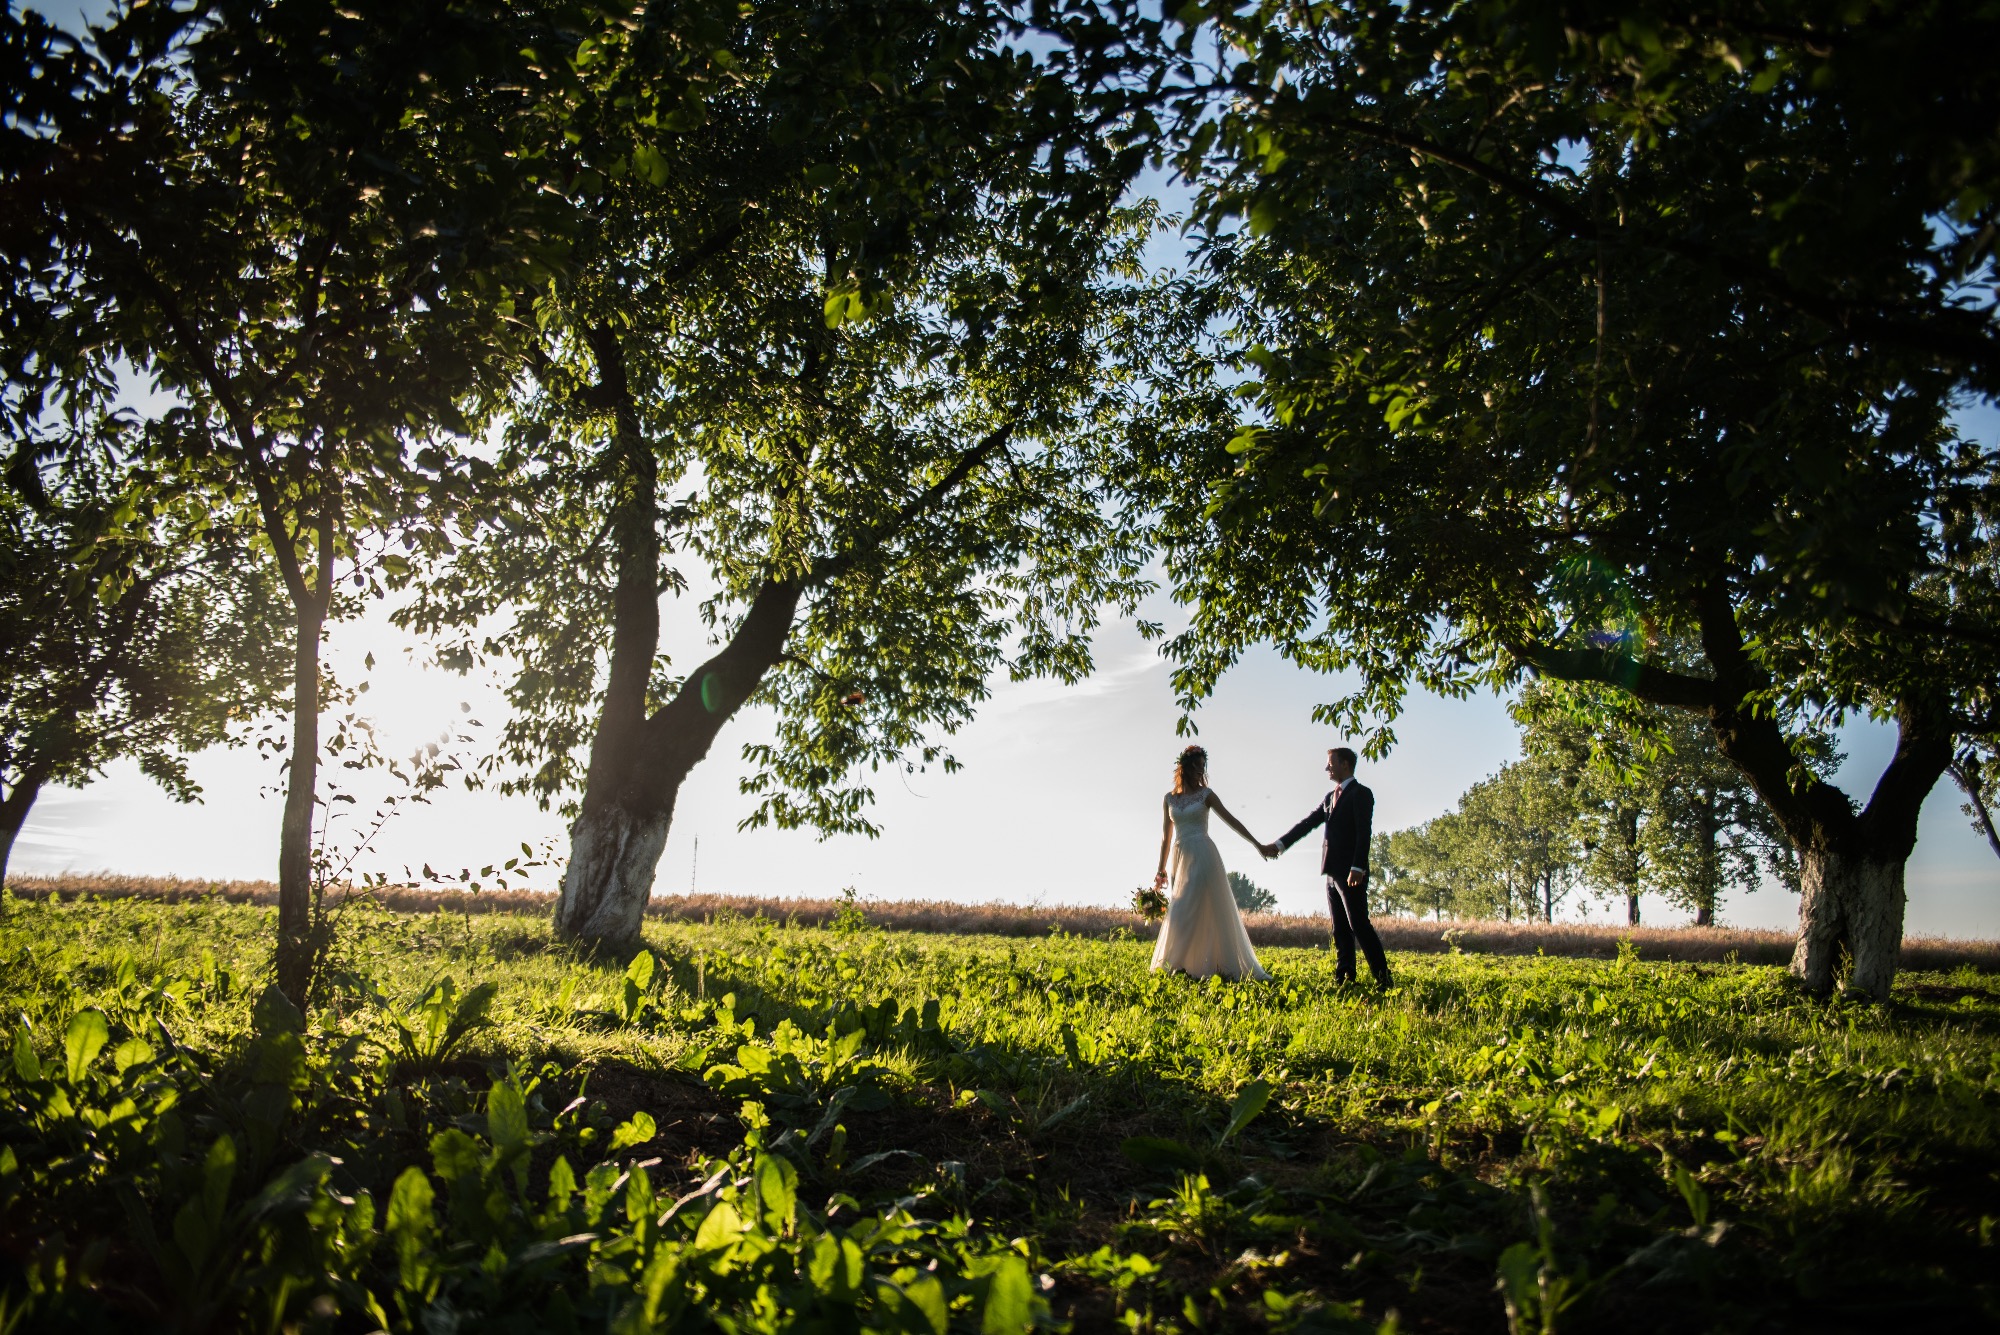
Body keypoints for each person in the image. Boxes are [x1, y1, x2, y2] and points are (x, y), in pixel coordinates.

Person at [1264, 747, 1392, 987]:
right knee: (1340, 928)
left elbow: (1365, 833)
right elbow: (1307, 824)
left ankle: (1383, 978)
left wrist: (1358, 866)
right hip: (1331, 873)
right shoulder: (1328, 798)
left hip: (1351, 872)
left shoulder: (1361, 794)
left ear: (1345, 764)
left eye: (1330, 763)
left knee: (1359, 925)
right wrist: (1279, 845)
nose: (1326, 768)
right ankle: (1345, 977)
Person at [1150, 745, 1272, 981]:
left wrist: (1257, 844)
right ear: (1184, 768)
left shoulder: (1206, 795)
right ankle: (1185, 966)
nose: (1200, 772)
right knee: (1184, 909)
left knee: (1187, 906)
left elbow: (1232, 821)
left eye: (1202, 768)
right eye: (1196, 767)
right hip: (1179, 855)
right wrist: (1160, 869)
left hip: (1203, 854)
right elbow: (1166, 836)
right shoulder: (1169, 799)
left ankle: (1203, 966)